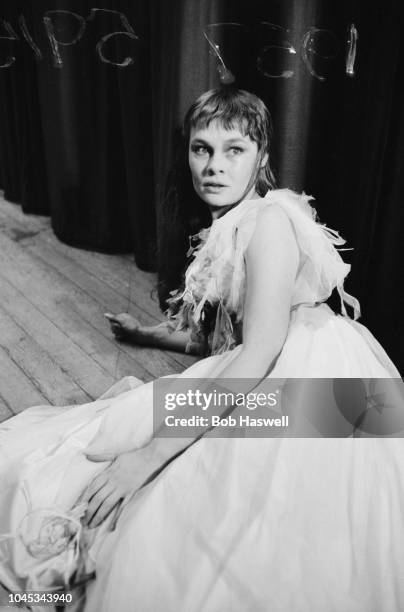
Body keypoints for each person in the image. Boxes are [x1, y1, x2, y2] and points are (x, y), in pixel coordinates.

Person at [0, 87, 402, 612]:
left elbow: (257, 354)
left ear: (262, 160)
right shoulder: (239, 222)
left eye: (234, 149)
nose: (214, 166)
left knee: (149, 470)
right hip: (298, 375)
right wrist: (149, 334)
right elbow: (230, 338)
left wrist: (150, 455)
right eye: (201, 148)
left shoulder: (269, 222)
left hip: (317, 387)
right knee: (116, 437)